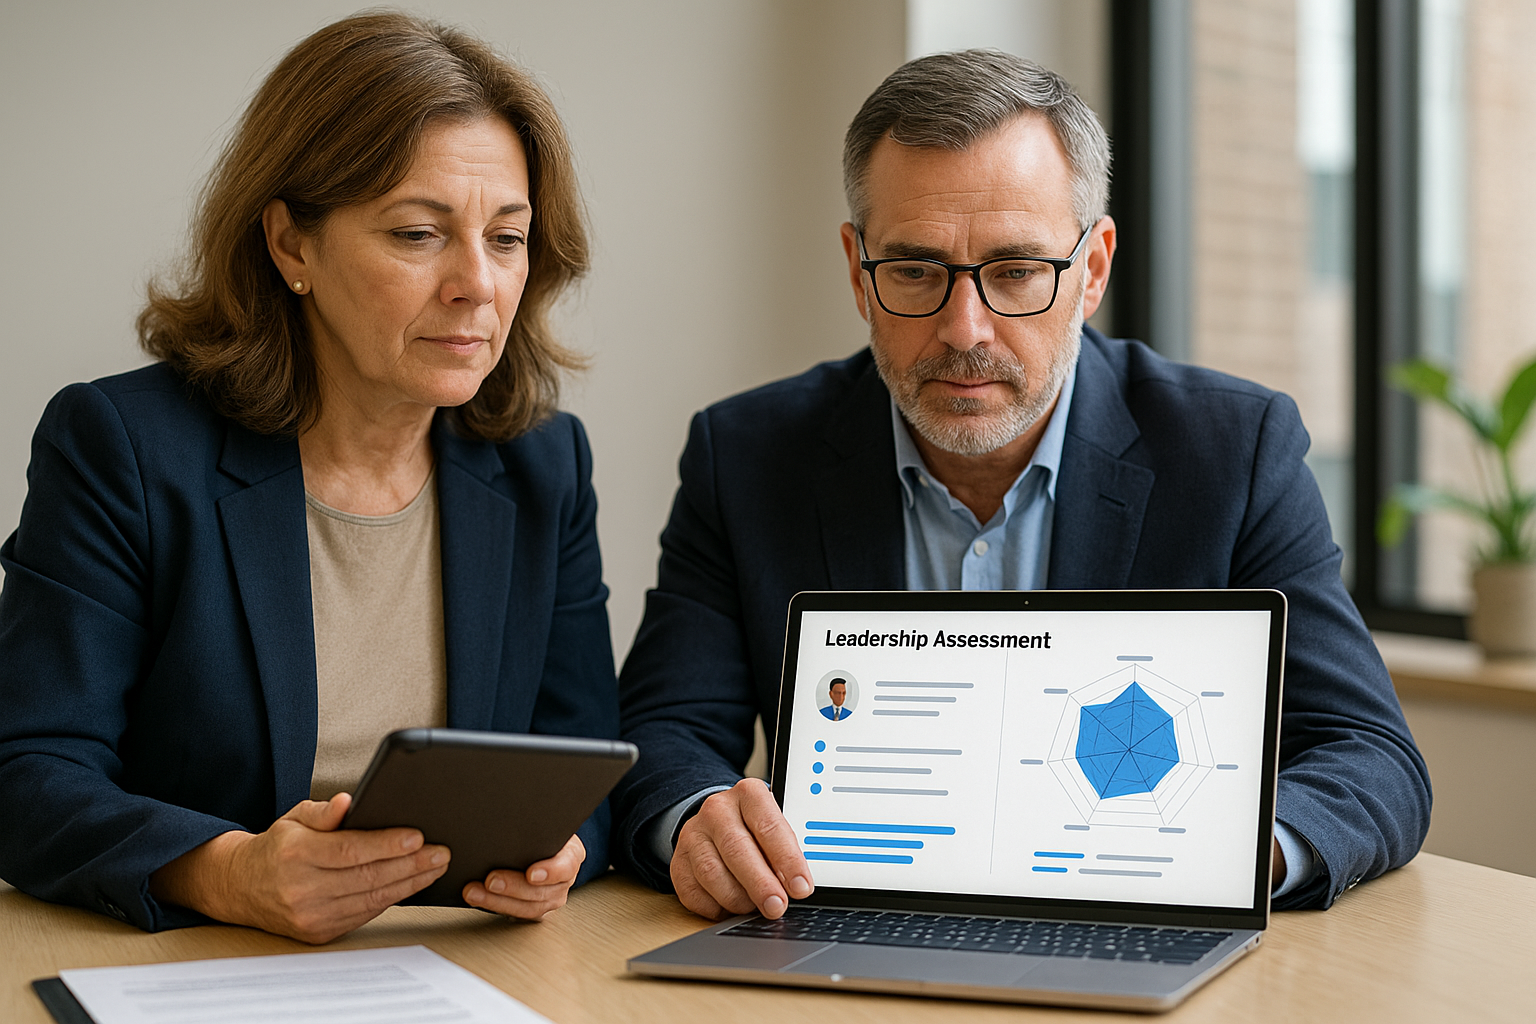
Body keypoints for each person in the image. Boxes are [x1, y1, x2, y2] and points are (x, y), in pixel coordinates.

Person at [612, 50, 1430, 923]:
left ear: (1094, 267)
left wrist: (1226, 857)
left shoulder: (1233, 450)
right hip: (839, 931)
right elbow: (662, 733)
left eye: (1015, 272)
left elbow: (1369, 753)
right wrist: (699, 817)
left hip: (1135, 926)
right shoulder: (744, 455)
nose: (966, 331)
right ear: (858, 272)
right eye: (917, 270)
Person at [0, 12, 618, 943]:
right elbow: (27, 770)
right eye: (418, 234)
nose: (476, 285)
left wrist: (566, 847)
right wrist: (227, 872)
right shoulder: (121, 445)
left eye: (507, 238)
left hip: (457, 967)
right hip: (199, 967)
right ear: (292, 245)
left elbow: (586, 764)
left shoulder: (544, 464)